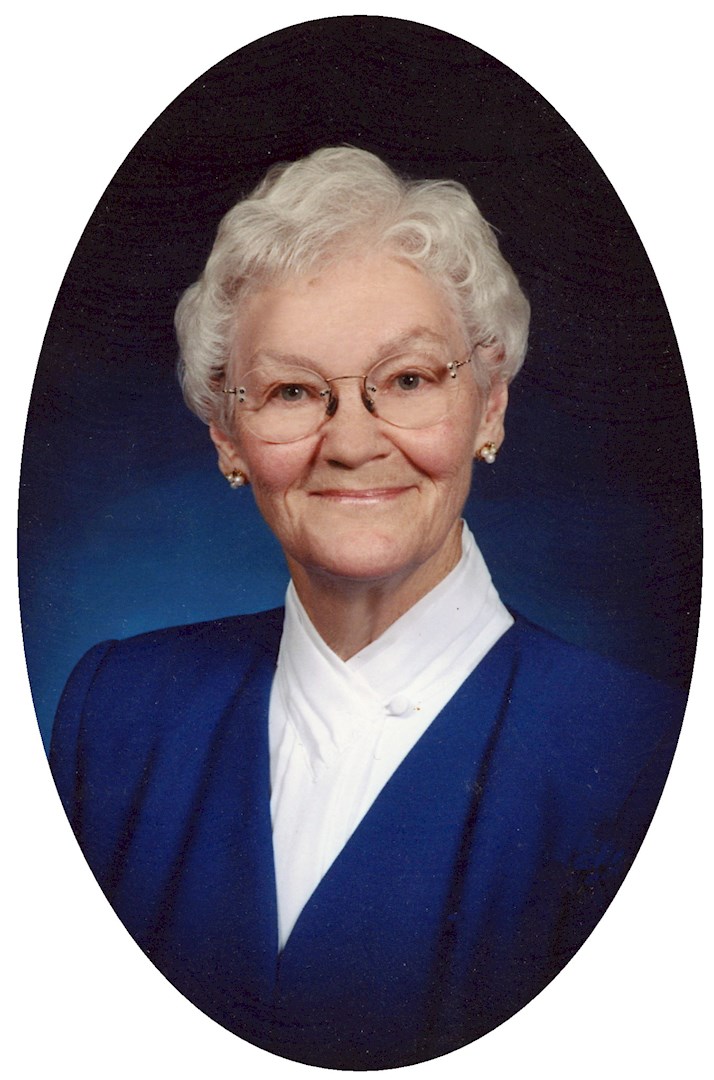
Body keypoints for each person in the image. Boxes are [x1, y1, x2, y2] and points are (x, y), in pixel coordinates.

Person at [50, 147, 683, 1069]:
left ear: (490, 406)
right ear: (228, 436)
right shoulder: (114, 714)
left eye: (410, 380)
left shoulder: (642, 755)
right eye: (292, 391)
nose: (350, 442)